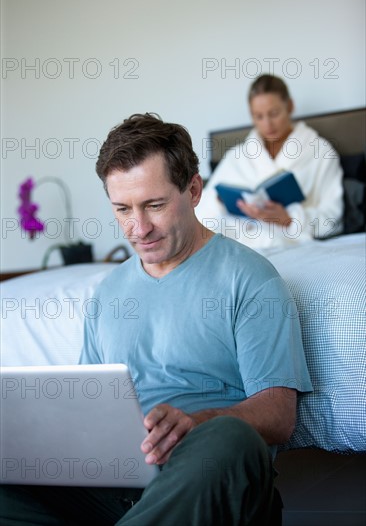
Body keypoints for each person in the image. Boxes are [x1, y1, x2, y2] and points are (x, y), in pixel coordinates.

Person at [0, 113, 313, 526]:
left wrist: (198, 423)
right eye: (122, 209)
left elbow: (278, 414)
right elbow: (89, 409)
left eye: (154, 205)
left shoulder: (250, 278)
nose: (139, 228)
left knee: (230, 438)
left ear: (194, 189)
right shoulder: (108, 293)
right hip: (115, 486)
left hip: (205, 472)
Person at [195, 74, 344, 250]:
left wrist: (290, 219)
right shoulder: (237, 155)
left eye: (274, 113)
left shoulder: (321, 152)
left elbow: (333, 217)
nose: (267, 124)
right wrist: (221, 201)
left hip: (292, 244)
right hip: (243, 246)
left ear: (290, 106)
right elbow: (201, 211)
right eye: (258, 116)